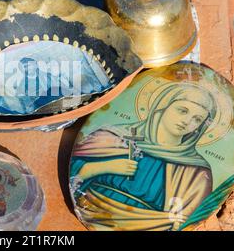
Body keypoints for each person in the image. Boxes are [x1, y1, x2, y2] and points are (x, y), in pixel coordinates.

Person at [70, 84, 218, 231]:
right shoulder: (114, 136)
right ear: (163, 105)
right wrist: (103, 167)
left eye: (197, 119)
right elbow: (73, 172)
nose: (187, 121)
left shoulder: (196, 170)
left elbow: (186, 220)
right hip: (87, 213)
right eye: (182, 111)